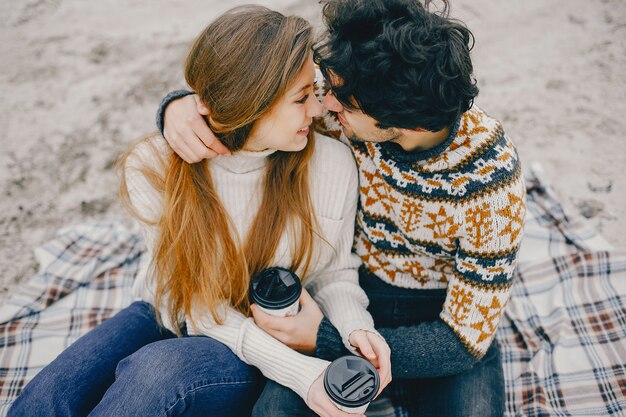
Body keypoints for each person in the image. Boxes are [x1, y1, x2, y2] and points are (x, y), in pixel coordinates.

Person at [8, 5, 392, 417]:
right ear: (249, 105)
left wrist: (356, 329)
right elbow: (196, 308)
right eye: (302, 98)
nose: (318, 110)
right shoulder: (154, 166)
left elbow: (332, 272)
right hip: (169, 311)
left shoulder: (330, 163)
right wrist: (304, 374)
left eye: (313, 91)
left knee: (154, 375)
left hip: (266, 341)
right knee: (47, 395)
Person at [158, 0, 527, 416]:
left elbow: (462, 342)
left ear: (410, 126)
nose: (324, 106)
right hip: (342, 295)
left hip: (433, 327)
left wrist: (325, 340)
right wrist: (181, 106)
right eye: (327, 88)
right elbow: (257, 99)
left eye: (343, 104)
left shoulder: (491, 188)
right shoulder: (350, 94)